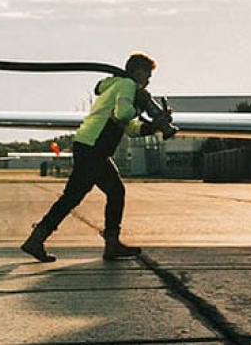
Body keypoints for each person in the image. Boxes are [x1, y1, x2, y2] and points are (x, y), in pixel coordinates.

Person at [21, 52, 164, 262]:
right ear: (138, 71)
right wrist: (140, 106)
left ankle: (40, 238)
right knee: (94, 194)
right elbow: (124, 114)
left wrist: (153, 127)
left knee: (93, 194)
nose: (149, 80)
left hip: (90, 146)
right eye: (148, 74)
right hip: (93, 147)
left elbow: (130, 128)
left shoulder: (116, 86)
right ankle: (41, 239)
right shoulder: (126, 85)